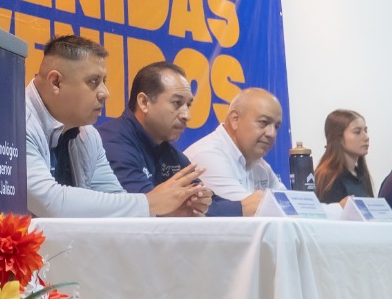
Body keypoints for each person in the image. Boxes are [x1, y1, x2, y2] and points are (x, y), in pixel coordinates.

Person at [26, 35, 207, 218]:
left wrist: (169, 211)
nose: (105, 93)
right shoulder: (15, 122)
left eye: (104, 81)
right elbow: (50, 203)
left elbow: (115, 201)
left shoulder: (89, 135)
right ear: (56, 82)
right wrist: (149, 204)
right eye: (93, 82)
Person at [98, 61, 238, 217]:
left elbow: (210, 204)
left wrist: (203, 201)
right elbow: (149, 206)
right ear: (144, 102)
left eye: (188, 105)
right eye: (177, 103)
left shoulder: (167, 150)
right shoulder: (111, 144)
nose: (187, 115)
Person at [184, 89, 286, 216]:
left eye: (276, 127)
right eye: (263, 122)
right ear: (235, 119)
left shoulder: (260, 165)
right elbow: (250, 212)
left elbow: (291, 208)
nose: (272, 133)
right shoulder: (208, 155)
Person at [313, 109, 374, 204]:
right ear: (339, 138)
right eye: (357, 132)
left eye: (366, 131)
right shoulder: (330, 178)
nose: (366, 137)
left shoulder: (360, 175)